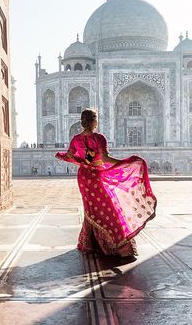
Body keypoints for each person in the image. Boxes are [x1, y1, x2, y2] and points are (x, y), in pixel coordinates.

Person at [55, 108, 157, 257]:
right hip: (96, 175)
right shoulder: (99, 138)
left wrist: (82, 162)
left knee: (92, 209)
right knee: (108, 207)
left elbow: (70, 156)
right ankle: (116, 244)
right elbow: (105, 159)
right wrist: (124, 163)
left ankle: (92, 243)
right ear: (94, 121)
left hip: (84, 177)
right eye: (96, 119)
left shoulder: (76, 139)